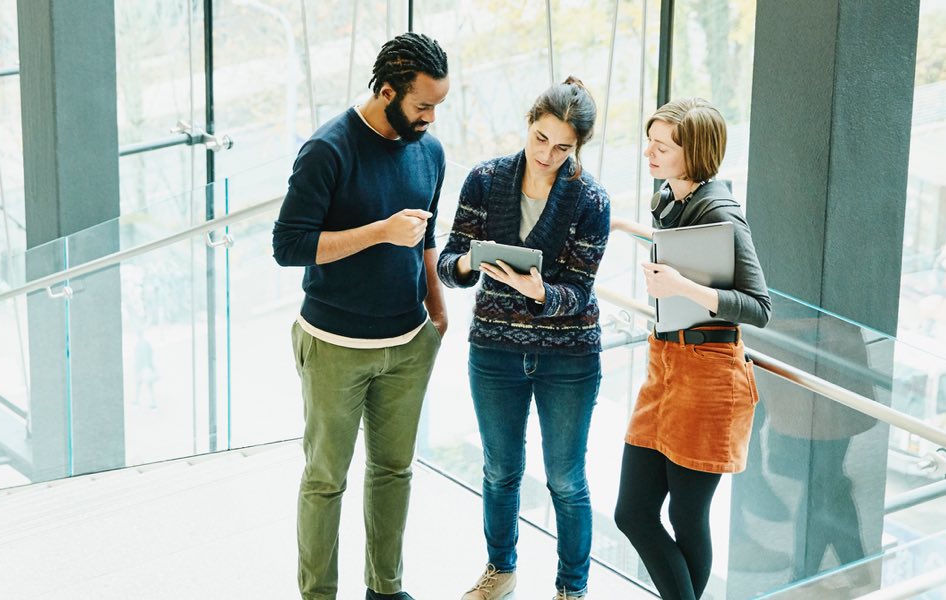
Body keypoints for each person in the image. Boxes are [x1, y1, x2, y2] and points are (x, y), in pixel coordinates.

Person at [272, 32, 450, 600]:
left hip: (407, 342)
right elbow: (288, 245)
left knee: (394, 472)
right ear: (386, 90)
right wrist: (379, 232)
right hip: (333, 346)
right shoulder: (329, 149)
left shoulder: (431, 151)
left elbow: (426, 238)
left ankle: (385, 589)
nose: (429, 118)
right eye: (422, 106)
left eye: (437, 107)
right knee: (326, 480)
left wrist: (437, 312)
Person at [438, 77, 611, 600]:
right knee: (500, 471)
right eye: (541, 138)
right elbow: (447, 265)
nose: (547, 154)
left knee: (565, 479)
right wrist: (470, 261)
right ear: (529, 124)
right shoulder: (485, 179)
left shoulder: (590, 199)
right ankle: (501, 570)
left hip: (569, 359)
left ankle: (572, 589)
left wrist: (541, 292)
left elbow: (579, 293)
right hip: (494, 351)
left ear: (578, 146)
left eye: (563, 147)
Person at [612, 98, 772, 600]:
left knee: (685, 514)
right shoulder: (673, 197)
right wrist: (622, 227)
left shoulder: (720, 210)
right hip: (666, 366)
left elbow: (758, 305)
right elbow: (678, 247)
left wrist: (682, 287)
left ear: (694, 153)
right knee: (632, 512)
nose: (648, 153)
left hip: (708, 374)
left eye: (661, 147)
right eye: (650, 142)